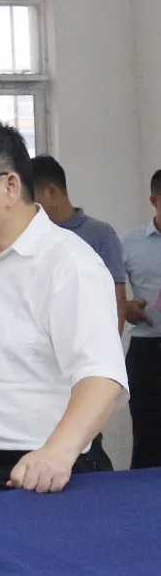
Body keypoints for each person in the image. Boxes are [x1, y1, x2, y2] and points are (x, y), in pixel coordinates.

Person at [0, 120, 128, 493]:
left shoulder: (68, 264)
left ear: (10, 186)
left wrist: (58, 452)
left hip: (40, 473)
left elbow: (102, 377)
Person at [32, 154, 127, 332]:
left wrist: (112, 344)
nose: (27, 207)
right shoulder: (33, 236)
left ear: (51, 192)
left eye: (30, 198)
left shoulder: (100, 234)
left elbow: (117, 299)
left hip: (88, 337)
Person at [120, 169, 161, 469]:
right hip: (148, 351)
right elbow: (107, 294)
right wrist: (125, 307)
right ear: (153, 200)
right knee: (148, 439)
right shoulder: (129, 243)